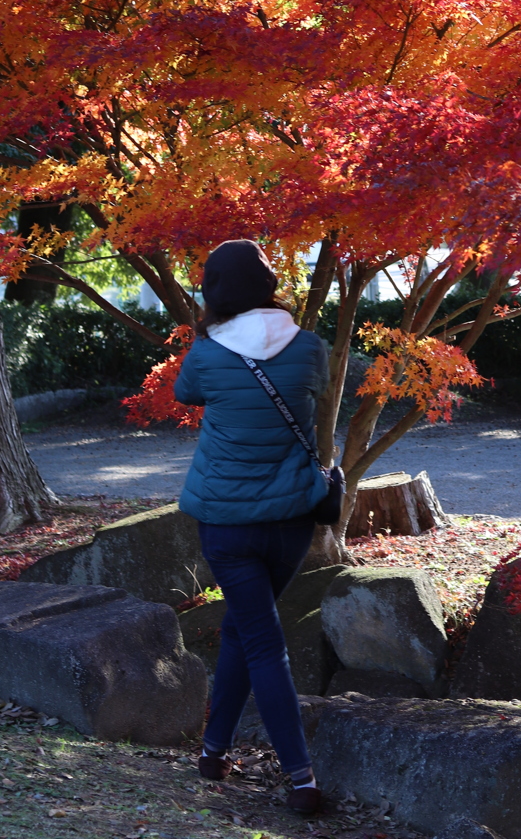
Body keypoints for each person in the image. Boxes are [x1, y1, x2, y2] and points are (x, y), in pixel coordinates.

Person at [174, 238, 329, 813]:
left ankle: (302, 780)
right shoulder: (310, 347)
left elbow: (186, 393)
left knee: (261, 642)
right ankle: (214, 753)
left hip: (226, 522)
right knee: (244, 631)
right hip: (291, 521)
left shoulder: (207, 354)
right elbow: (314, 392)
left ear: (216, 292)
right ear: (268, 284)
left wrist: (206, 337)